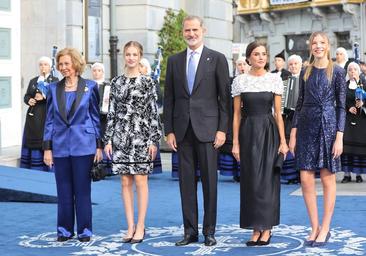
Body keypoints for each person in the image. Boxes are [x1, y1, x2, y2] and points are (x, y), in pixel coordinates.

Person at [164, 15, 230, 247]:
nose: (191, 34)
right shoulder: (173, 61)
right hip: (182, 132)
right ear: (183, 32)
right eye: (187, 30)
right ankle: (189, 231)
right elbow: (169, 98)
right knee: (186, 183)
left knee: (210, 183)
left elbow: (225, 100)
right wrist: (169, 130)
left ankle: (209, 231)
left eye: (195, 30)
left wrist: (223, 130)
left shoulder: (218, 59)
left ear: (203, 30)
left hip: (209, 131)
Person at [289, 32, 347, 247]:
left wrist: (339, 137)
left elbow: (341, 107)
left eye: (322, 43)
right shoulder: (305, 71)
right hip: (306, 126)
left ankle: (325, 227)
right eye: (315, 43)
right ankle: (314, 227)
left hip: (329, 127)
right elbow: (299, 104)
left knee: (327, 178)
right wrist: (293, 134)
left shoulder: (338, 72)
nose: (318, 46)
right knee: (305, 178)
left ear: (328, 46)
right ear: (310, 46)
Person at [43, 48, 103, 242]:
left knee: (82, 190)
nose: (63, 67)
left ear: (76, 64)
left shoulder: (91, 86)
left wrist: (98, 146)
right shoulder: (53, 88)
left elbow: (95, 118)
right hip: (60, 146)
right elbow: (50, 120)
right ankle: (64, 231)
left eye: (67, 63)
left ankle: (85, 231)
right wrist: (47, 148)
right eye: (60, 64)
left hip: (84, 145)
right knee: (63, 191)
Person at [104, 41, 162, 244]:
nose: (130, 57)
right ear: (124, 57)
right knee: (125, 181)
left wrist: (154, 140)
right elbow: (111, 112)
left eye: (134, 54)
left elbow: (153, 112)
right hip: (120, 136)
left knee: (140, 180)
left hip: (142, 137)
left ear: (140, 56)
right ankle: (129, 225)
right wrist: (108, 139)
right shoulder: (116, 82)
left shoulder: (147, 82)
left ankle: (141, 225)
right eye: (127, 54)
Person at [231, 41, 288, 247]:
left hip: (269, 132)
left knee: (267, 181)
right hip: (247, 133)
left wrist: (283, 141)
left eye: (264, 54)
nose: (261, 57)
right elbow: (236, 115)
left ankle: (267, 227)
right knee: (251, 181)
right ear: (249, 57)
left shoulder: (274, 79)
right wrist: (235, 142)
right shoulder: (240, 81)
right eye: (256, 54)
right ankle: (255, 228)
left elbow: (278, 114)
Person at [21, 56, 59, 171]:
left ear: (49, 67)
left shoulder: (55, 80)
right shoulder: (34, 80)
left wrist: (44, 96)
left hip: (47, 114)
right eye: (41, 64)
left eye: (45, 65)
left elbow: (57, 98)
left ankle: (47, 166)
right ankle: (34, 166)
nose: (43, 67)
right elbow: (27, 95)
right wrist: (29, 100)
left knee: (45, 138)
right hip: (33, 116)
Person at [219, 56, 250, 182]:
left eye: (244, 64)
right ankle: (235, 172)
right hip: (234, 114)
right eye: (239, 64)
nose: (242, 67)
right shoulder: (231, 81)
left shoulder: (252, 80)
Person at [341, 62, 366, 183]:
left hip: (361, 120)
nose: (352, 72)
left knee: (358, 148)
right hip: (347, 119)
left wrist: (363, 104)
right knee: (347, 147)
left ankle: (358, 174)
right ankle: (346, 174)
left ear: (358, 72)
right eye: (350, 70)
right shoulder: (343, 86)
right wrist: (348, 108)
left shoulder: (363, 85)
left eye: (355, 70)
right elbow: (339, 101)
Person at [281, 54, 303, 184]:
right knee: (290, 144)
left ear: (300, 65)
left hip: (303, 118)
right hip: (289, 118)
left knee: (302, 145)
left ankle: (302, 174)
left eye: (296, 64)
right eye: (291, 64)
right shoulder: (284, 80)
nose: (293, 66)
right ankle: (290, 175)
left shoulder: (306, 79)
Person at [139, 58, 163, 175]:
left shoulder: (153, 82)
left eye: (142, 66)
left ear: (147, 68)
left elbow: (159, 100)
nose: (139, 68)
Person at [91, 62, 112, 175]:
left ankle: (105, 167)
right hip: (90, 117)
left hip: (104, 118)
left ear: (103, 72)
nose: (96, 73)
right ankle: (93, 165)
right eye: (94, 70)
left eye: (99, 70)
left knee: (103, 138)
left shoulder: (107, 86)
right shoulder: (87, 85)